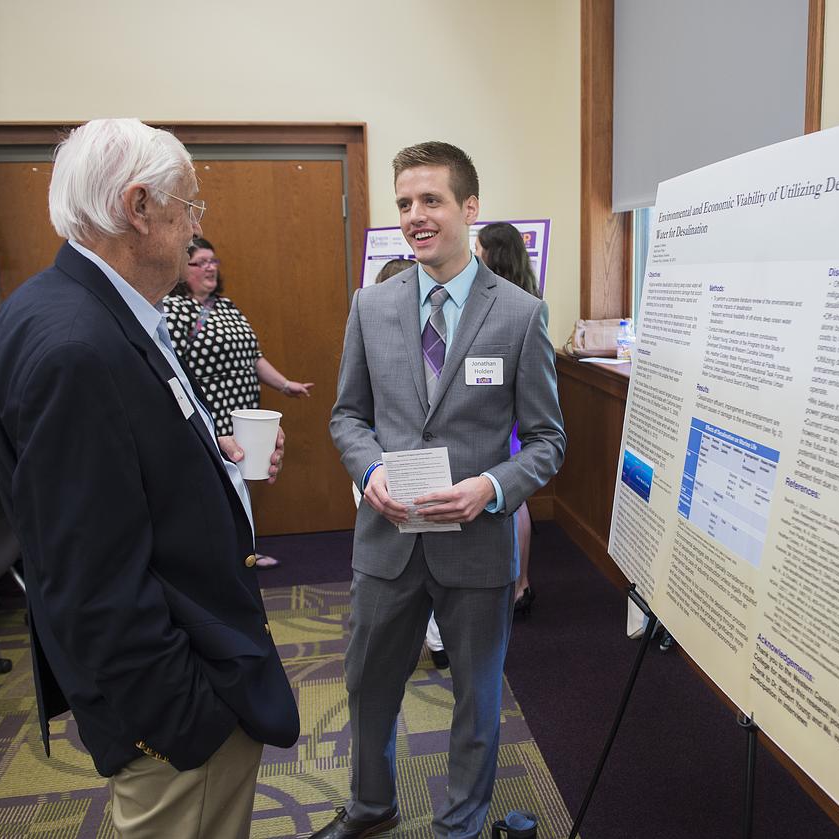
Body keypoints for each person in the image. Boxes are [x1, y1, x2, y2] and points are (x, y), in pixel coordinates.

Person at [0, 118, 299, 839]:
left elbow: (118, 476)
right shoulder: (75, 347)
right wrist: (185, 719)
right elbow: (88, 577)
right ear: (139, 206)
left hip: (188, 667)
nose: (194, 228)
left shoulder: (81, 310)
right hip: (177, 715)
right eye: (189, 206)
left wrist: (209, 454)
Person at [325, 141, 565, 839]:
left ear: (469, 207)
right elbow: (347, 415)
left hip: (476, 545)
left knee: (475, 699)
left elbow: (549, 440)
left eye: (430, 200)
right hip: (388, 540)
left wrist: (491, 486)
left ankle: (460, 824)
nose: (414, 216)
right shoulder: (371, 306)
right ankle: (370, 806)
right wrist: (369, 471)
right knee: (368, 688)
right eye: (404, 203)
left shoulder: (519, 314)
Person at [163, 237, 313, 568]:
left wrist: (285, 385)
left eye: (213, 261)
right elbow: (169, 365)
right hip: (209, 412)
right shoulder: (173, 309)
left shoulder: (226, 306)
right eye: (200, 262)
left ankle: (242, 551)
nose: (209, 268)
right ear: (182, 270)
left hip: (243, 410)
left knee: (240, 482)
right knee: (211, 487)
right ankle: (214, 557)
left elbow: (253, 357)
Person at [474, 222, 541, 616]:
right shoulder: (528, 295)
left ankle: (516, 584)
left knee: (508, 495)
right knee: (512, 494)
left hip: (505, 410)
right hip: (515, 407)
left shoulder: (506, 302)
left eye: (478, 248)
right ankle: (521, 582)